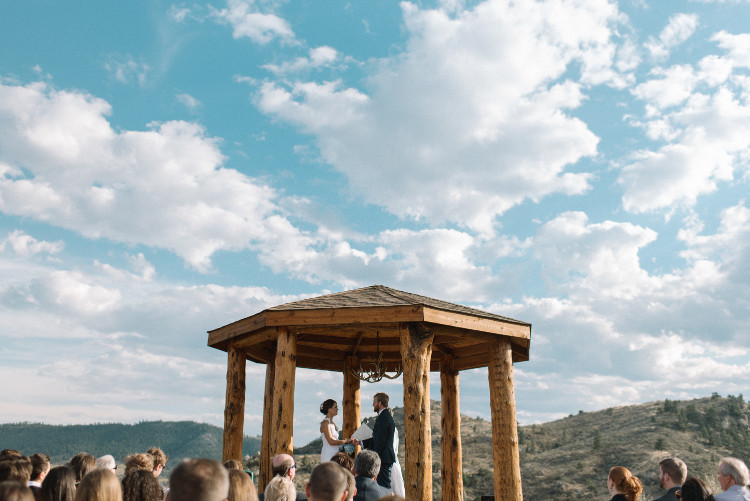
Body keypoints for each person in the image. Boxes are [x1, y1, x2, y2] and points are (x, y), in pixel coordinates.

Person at [353, 393, 396, 490]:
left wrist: (373, 458)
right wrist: (361, 442)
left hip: (383, 458)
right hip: (384, 457)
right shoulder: (384, 416)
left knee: (384, 487)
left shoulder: (384, 418)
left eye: (374, 402)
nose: (373, 404)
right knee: (382, 486)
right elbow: (377, 438)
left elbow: (379, 441)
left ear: (380, 403)